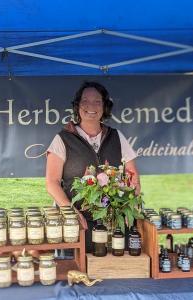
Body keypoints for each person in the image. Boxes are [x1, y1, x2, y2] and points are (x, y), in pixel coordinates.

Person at [46, 81, 141, 252]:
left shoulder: (116, 136)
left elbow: (133, 178)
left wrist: (129, 207)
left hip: (112, 224)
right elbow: (52, 183)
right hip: (79, 223)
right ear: (77, 106)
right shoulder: (63, 139)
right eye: (85, 101)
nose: (91, 106)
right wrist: (71, 212)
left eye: (97, 101)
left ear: (105, 107)